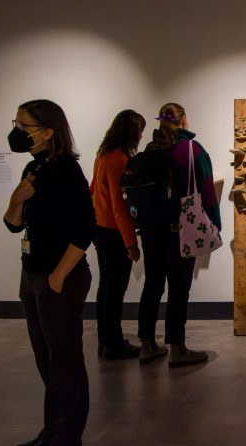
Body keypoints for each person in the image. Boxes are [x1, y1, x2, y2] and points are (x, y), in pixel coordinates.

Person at [4, 99, 95, 446]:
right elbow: (13, 224)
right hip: (34, 274)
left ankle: (68, 438)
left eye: (24, 126)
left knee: (65, 360)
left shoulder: (67, 172)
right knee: (46, 360)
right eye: (17, 123)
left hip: (61, 278)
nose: (18, 132)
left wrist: (58, 275)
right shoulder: (33, 168)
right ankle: (53, 429)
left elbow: (84, 228)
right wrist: (17, 198)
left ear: (48, 131)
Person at [137, 102, 221, 367]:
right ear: (184, 119)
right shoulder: (191, 149)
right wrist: (215, 224)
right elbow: (207, 190)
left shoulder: (151, 149)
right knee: (178, 288)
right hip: (180, 228)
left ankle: (147, 344)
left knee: (152, 285)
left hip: (151, 228)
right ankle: (177, 347)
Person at [90, 110, 145, 359]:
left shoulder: (103, 155)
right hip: (113, 232)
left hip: (100, 228)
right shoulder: (119, 159)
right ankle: (112, 343)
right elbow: (119, 206)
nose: (142, 135)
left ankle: (106, 339)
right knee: (115, 290)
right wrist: (131, 243)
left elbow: (93, 191)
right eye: (140, 131)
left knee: (106, 287)